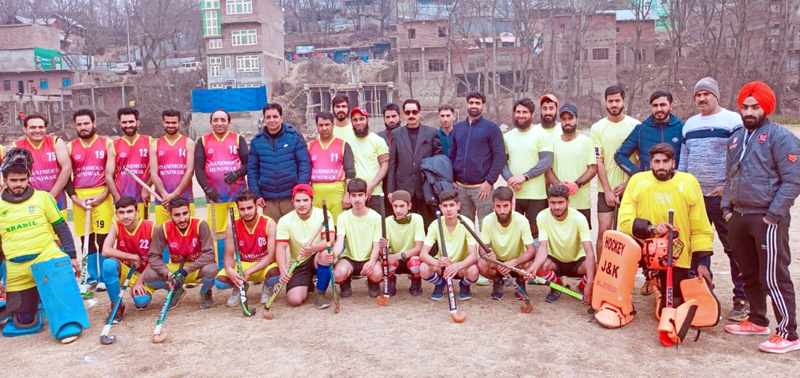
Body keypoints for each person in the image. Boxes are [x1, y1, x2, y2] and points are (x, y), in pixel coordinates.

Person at [722, 82, 800, 354]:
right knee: (749, 273)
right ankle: (757, 319)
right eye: (745, 106)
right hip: (738, 216)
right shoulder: (736, 137)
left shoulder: (781, 137)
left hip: (766, 218)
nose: (749, 112)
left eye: (755, 107)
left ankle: (788, 333)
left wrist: (772, 215)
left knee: (774, 275)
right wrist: (726, 209)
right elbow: (729, 175)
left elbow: (793, 180)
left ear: (766, 107)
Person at [678, 77, 748, 322]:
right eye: (698, 94)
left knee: (733, 247)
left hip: (722, 198)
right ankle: (701, 291)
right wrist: (682, 188)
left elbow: (740, 159)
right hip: (695, 199)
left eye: (707, 94)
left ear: (716, 96)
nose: (702, 98)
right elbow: (684, 160)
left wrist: (727, 188)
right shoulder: (689, 125)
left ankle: (742, 298)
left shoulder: (732, 121)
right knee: (696, 246)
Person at [0, 148, 85, 343]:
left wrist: (72, 256)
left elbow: (61, 228)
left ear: (29, 176)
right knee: (25, 323)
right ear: (5, 180)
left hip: (45, 258)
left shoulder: (43, 198)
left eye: (22, 179)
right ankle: (39, 297)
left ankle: (61, 312)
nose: (19, 184)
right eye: (14, 180)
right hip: (17, 268)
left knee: (68, 325)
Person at [618, 143, 714, 312]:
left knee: (671, 307)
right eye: (656, 161)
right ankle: (643, 281)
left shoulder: (689, 182)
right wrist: (652, 229)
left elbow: (700, 226)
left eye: (665, 161)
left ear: (673, 163)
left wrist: (703, 262)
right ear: (650, 163)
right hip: (646, 249)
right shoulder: (638, 181)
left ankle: (659, 285)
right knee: (619, 248)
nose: (661, 166)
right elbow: (625, 221)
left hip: (677, 254)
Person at [590, 85, 639, 260]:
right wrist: (607, 190)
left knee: (630, 234)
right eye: (610, 101)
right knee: (604, 232)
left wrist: (628, 184)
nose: (614, 104)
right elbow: (599, 161)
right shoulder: (597, 128)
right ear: (605, 103)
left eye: (617, 100)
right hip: (606, 192)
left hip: (631, 190)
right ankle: (601, 274)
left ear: (624, 101)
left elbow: (640, 160)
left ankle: (626, 275)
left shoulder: (635, 126)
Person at [195, 109, 249, 269]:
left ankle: (244, 265)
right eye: (216, 120)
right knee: (218, 233)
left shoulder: (238, 139)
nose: (219, 123)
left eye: (223, 120)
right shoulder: (203, 141)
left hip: (238, 195)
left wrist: (238, 173)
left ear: (229, 122)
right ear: (211, 122)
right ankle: (221, 267)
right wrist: (206, 188)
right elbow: (198, 167)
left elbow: (248, 163)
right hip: (215, 195)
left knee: (241, 229)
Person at [143, 197, 218, 309]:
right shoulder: (163, 228)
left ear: (190, 212)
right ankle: (176, 290)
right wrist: (167, 273)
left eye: (185, 213)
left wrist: (185, 271)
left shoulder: (200, 225)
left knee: (211, 269)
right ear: (170, 215)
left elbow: (209, 254)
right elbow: (153, 255)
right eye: (177, 215)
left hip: (196, 267)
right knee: (148, 275)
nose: (182, 219)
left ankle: (205, 291)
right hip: (176, 268)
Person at [526, 184, 595, 304]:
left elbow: (589, 251)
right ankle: (557, 286)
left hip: (577, 261)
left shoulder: (579, 218)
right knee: (540, 266)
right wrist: (534, 267)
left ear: (568, 201)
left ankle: (583, 287)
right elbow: (542, 247)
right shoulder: (542, 216)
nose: (556, 206)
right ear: (548, 202)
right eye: (553, 202)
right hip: (555, 260)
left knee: (596, 269)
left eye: (560, 202)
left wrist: (590, 282)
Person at [69, 108, 114, 289]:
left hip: (102, 194)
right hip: (80, 196)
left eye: (86, 123)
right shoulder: (70, 147)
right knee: (86, 238)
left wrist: (104, 195)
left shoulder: (107, 143)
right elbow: (66, 176)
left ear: (94, 123)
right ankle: (91, 277)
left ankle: (104, 276)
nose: (83, 127)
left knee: (103, 237)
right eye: (79, 124)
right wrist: (75, 199)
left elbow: (112, 174)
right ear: (75, 126)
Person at [214, 190, 280, 307]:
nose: (246, 212)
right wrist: (229, 269)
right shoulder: (232, 225)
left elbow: (271, 256)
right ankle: (239, 286)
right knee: (219, 282)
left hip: (263, 264)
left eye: (249, 208)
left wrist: (249, 271)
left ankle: (268, 286)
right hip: (242, 264)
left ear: (256, 206)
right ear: (238, 209)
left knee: (276, 273)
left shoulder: (269, 223)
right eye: (242, 209)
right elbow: (229, 255)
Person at [275, 184, 336, 309]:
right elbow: (280, 247)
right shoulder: (285, 220)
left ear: (312, 201)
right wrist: (283, 270)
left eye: (305, 200)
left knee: (326, 254)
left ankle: (320, 293)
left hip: (317, 256)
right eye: (298, 200)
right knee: (294, 300)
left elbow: (330, 241)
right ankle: (308, 283)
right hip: (299, 262)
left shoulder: (323, 214)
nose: (302, 204)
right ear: (293, 202)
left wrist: (312, 249)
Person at [449, 91, 505, 226]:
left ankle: (485, 248)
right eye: (471, 103)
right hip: (460, 188)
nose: (474, 106)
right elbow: (452, 155)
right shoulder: (458, 128)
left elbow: (500, 156)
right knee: (464, 227)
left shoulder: (491, 128)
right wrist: (452, 178)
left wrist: (489, 182)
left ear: (483, 106)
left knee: (486, 226)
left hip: (481, 188)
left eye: (477, 103)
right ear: (466, 104)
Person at [248, 103, 311, 222]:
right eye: (268, 117)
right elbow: (252, 170)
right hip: (269, 201)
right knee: (274, 235)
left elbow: (304, 164)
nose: (272, 120)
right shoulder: (257, 141)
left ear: (281, 118)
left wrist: (300, 190)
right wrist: (256, 194)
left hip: (291, 198)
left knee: (294, 235)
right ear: (264, 119)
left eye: (275, 117)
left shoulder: (294, 137)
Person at [502, 98, 552, 238]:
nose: (521, 115)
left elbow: (546, 161)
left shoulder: (542, 134)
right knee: (514, 231)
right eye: (518, 112)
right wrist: (510, 179)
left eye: (525, 112)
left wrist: (524, 177)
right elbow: (502, 162)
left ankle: (534, 259)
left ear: (532, 114)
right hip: (513, 194)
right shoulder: (507, 137)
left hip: (536, 194)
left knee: (534, 231)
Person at [100, 196, 156, 323]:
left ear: (137, 211)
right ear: (116, 214)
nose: (125, 216)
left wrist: (139, 281)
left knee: (141, 302)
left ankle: (175, 291)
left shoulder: (151, 227)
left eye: (129, 211)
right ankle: (117, 305)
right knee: (108, 264)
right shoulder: (116, 226)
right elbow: (105, 250)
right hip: (127, 271)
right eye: (121, 212)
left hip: (147, 273)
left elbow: (156, 258)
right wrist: (133, 257)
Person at [386, 99, 442, 225]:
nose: (411, 115)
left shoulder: (432, 133)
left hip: (425, 187)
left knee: (426, 223)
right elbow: (393, 163)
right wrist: (390, 190)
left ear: (419, 113)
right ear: (404, 115)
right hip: (404, 187)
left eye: (414, 112)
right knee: (406, 224)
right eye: (408, 112)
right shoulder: (396, 134)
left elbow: (437, 161)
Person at [419, 189, 479, 300]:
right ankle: (440, 283)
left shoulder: (467, 223)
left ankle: (464, 285)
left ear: (458, 205)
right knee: (423, 268)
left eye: (452, 205)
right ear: (440, 207)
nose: (448, 209)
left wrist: (457, 265)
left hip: (460, 267)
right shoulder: (435, 224)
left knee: (473, 271)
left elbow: (473, 256)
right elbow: (423, 254)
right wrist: (437, 263)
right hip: (442, 266)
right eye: (445, 206)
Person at [478, 187, 536, 300]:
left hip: (517, 263)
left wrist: (513, 262)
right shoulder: (487, 220)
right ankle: (497, 281)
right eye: (498, 206)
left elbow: (531, 251)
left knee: (529, 265)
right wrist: (490, 256)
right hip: (497, 263)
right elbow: (481, 250)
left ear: (512, 204)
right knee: (481, 264)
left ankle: (520, 282)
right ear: (493, 205)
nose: (502, 211)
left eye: (505, 206)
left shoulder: (522, 220)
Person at [330, 179, 383, 298]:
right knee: (337, 274)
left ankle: (373, 283)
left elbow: (376, 246)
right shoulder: (343, 217)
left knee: (377, 273)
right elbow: (340, 241)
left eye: (360, 195)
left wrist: (372, 262)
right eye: (353, 195)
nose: (357, 199)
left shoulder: (376, 217)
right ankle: (345, 282)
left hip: (369, 257)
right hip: (349, 258)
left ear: (366, 195)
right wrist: (334, 254)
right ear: (349, 196)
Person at [545, 103, 596, 225]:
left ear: (577, 120)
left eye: (570, 118)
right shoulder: (552, 142)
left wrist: (577, 184)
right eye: (564, 119)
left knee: (580, 239)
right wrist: (559, 186)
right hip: (558, 202)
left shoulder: (587, 142)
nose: (567, 122)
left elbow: (593, 168)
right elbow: (548, 169)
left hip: (581, 201)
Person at [13, 114, 72, 218]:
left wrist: (52, 195)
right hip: (29, 198)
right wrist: (34, 195)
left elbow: (66, 169)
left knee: (60, 232)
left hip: (57, 197)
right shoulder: (17, 146)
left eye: (41, 127)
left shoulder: (56, 142)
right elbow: (14, 175)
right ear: (25, 129)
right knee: (35, 231)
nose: (37, 130)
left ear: (45, 128)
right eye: (32, 127)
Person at [615, 90, 684, 176]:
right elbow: (619, 155)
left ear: (671, 106)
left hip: (675, 183)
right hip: (649, 184)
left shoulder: (682, 128)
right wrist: (637, 175)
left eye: (663, 105)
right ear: (651, 107)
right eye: (655, 105)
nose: (659, 109)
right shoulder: (641, 129)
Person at [150, 109, 196, 225]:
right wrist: (165, 195)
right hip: (162, 201)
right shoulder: (155, 144)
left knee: (188, 236)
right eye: (168, 122)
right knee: (164, 236)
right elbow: (154, 173)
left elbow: (190, 172)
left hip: (185, 199)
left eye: (174, 123)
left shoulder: (189, 143)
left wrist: (174, 195)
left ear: (179, 123)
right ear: (163, 123)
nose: (171, 125)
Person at [308, 111, 355, 222]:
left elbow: (350, 173)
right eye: (321, 125)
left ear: (333, 125)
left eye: (327, 125)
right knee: (318, 227)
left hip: (337, 193)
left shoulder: (343, 145)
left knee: (338, 227)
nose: (324, 128)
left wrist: (347, 194)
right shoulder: (309, 146)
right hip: (316, 193)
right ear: (317, 126)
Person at [106, 107, 152, 219]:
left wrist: (147, 188)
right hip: (121, 199)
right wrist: (118, 199)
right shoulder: (114, 144)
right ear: (120, 124)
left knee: (142, 233)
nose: (128, 125)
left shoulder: (149, 141)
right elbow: (108, 176)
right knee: (122, 234)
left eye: (131, 121)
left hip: (142, 198)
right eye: (124, 122)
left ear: (137, 122)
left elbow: (155, 171)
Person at [379, 190, 424, 296]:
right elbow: (383, 251)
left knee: (415, 263)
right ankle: (390, 281)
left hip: (411, 257)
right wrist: (382, 247)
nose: (398, 210)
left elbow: (419, 248)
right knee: (386, 261)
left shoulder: (417, 219)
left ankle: (416, 280)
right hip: (394, 257)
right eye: (395, 206)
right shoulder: (387, 221)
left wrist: (398, 256)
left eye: (402, 206)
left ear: (409, 206)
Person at [348, 107, 389, 212]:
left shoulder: (378, 141)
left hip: (375, 193)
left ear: (367, 120)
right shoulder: (347, 142)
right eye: (355, 120)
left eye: (361, 119)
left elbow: (384, 166)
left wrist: (371, 186)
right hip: (355, 194)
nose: (359, 122)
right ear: (351, 122)